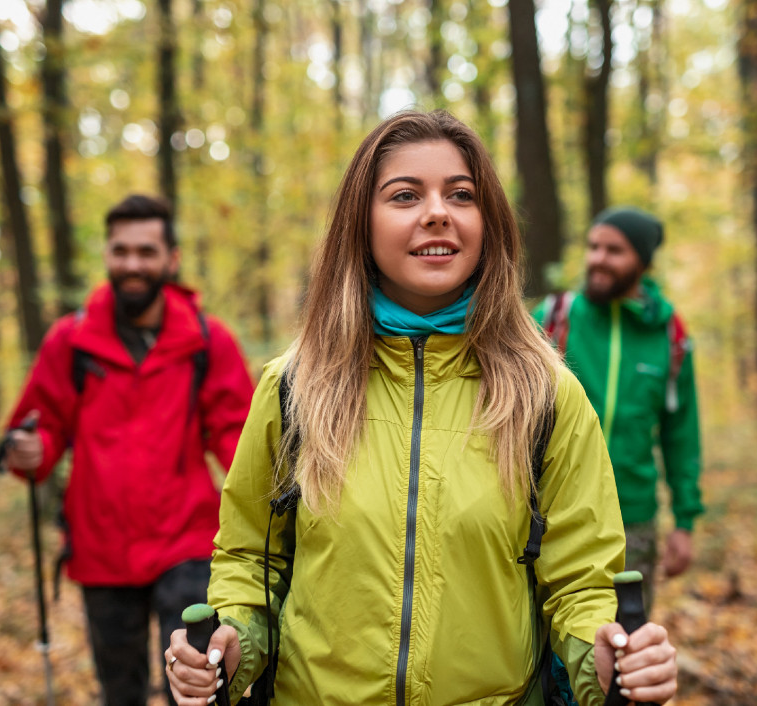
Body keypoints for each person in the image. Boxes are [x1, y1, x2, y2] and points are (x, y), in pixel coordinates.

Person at [164, 111, 678, 706]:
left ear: (488, 224)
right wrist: (230, 645)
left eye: (461, 195)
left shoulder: (545, 394)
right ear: (361, 224)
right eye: (405, 195)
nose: (438, 212)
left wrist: (611, 661)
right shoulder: (295, 387)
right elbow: (251, 560)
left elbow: (581, 584)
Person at [3, 194, 255, 706]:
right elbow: (40, 428)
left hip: (186, 544)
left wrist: (280, 497)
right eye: (121, 252)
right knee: (120, 692)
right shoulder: (70, 341)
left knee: (196, 688)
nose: (133, 264)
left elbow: (241, 441)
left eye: (146, 251)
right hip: (100, 550)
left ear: (172, 258)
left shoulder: (207, 341)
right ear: (107, 255)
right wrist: (28, 449)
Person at [535, 206, 704, 616]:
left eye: (614, 250)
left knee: (627, 642)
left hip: (634, 520)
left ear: (642, 263)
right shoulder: (555, 318)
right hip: (548, 512)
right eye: (593, 247)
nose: (598, 258)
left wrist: (684, 522)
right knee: (541, 641)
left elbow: (681, 435)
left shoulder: (669, 336)